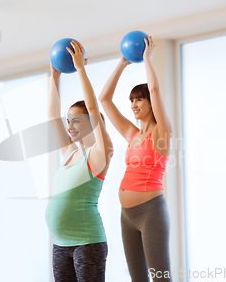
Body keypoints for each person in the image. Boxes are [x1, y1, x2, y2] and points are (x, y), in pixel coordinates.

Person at [99, 36, 173, 282]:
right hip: (127, 214)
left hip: (152, 212)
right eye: (131, 100)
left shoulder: (162, 133)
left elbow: (155, 89)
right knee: (137, 279)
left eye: (139, 99)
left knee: (161, 277)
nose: (134, 104)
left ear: (152, 103)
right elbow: (104, 100)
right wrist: (122, 62)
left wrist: (146, 60)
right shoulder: (132, 134)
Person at [45, 41, 113, 282]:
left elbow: (93, 107)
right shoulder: (71, 154)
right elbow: (52, 115)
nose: (69, 126)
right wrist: (54, 74)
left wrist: (80, 69)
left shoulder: (98, 154)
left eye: (76, 121)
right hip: (60, 245)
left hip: (87, 244)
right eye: (68, 121)